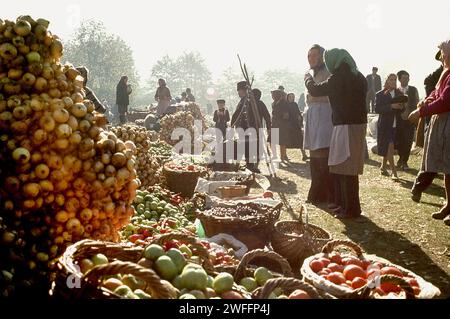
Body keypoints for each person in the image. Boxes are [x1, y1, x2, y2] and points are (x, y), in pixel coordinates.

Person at [305, 48, 367, 219]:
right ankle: (344, 205)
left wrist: (308, 79)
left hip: (347, 125)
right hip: (351, 124)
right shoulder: (358, 75)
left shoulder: (340, 77)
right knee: (342, 167)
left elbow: (316, 90)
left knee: (346, 168)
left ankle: (352, 209)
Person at [409, 39, 450, 226]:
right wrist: (426, 101)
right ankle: (449, 204)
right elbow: (436, 93)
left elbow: (445, 101)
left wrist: (421, 112)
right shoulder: (445, 73)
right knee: (448, 168)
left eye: (443, 52)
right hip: (443, 122)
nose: (441, 56)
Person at [411, 51, 444, 202]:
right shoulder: (439, 74)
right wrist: (425, 107)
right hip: (440, 118)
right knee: (432, 157)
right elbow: (435, 93)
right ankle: (418, 187)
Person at [303, 44, 334, 206]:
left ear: (322, 56)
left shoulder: (329, 73)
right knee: (314, 153)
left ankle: (327, 193)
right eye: (309, 56)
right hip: (313, 114)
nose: (311, 58)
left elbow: (320, 92)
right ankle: (316, 192)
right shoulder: (310, 73)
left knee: (323, 152)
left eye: (314, 55)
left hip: (325, 113)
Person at [230, 82, 268, 173]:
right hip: (244, 128)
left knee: (251, 146)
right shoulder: (243, 100)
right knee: (246, 147)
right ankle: (248, 165)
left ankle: (251, 166)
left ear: (244, 90)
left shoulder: (249, 101)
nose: (238, 93)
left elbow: (238, 114)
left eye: (239, 91)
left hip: (250, 128)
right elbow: (237, 114)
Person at [375, 74, 406, 180]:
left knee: (388, 146)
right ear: (387, 80)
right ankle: (394, 172)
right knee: (390, 147)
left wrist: (401, 106)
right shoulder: (380, 94)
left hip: (396, 125)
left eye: (395, 80)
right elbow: (377, 109)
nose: (393, 81)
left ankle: (383, 167)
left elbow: (402, 109)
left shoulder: (399, 93)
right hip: (384, 125)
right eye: (391, 79)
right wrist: (391, 106)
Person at [396, 70, 419, 170]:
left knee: (408, 140)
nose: (406, 80)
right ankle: (400, 158)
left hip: (410, 119)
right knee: (400, 140)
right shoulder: (396, 91)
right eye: (404, 78)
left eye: (407, 78)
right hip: (399, 120)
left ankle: (405, 161)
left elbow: (418, 103)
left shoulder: (413, 90)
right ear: (399, 79)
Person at [270, 90, 293, 161]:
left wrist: (281, 119)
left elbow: (286, 115)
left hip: (282, 125)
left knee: (282, 142)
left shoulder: (283, 103)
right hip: (275, 124)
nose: (272, 97)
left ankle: (282, 157)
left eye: (273, 95)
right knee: (272, 140)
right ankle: (274, 155)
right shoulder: (274, 103)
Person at [287, 93, 308, 161]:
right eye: (290, 97)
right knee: (287, 141)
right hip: (290, 125)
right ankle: (284, 156)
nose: (291, 98)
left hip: (296, 125)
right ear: (287, 97)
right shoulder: (286, 105)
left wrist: (299, 117)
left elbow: (298, 112)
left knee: (300, 140)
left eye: (293, 97)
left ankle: (304, 155)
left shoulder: (295, 104)